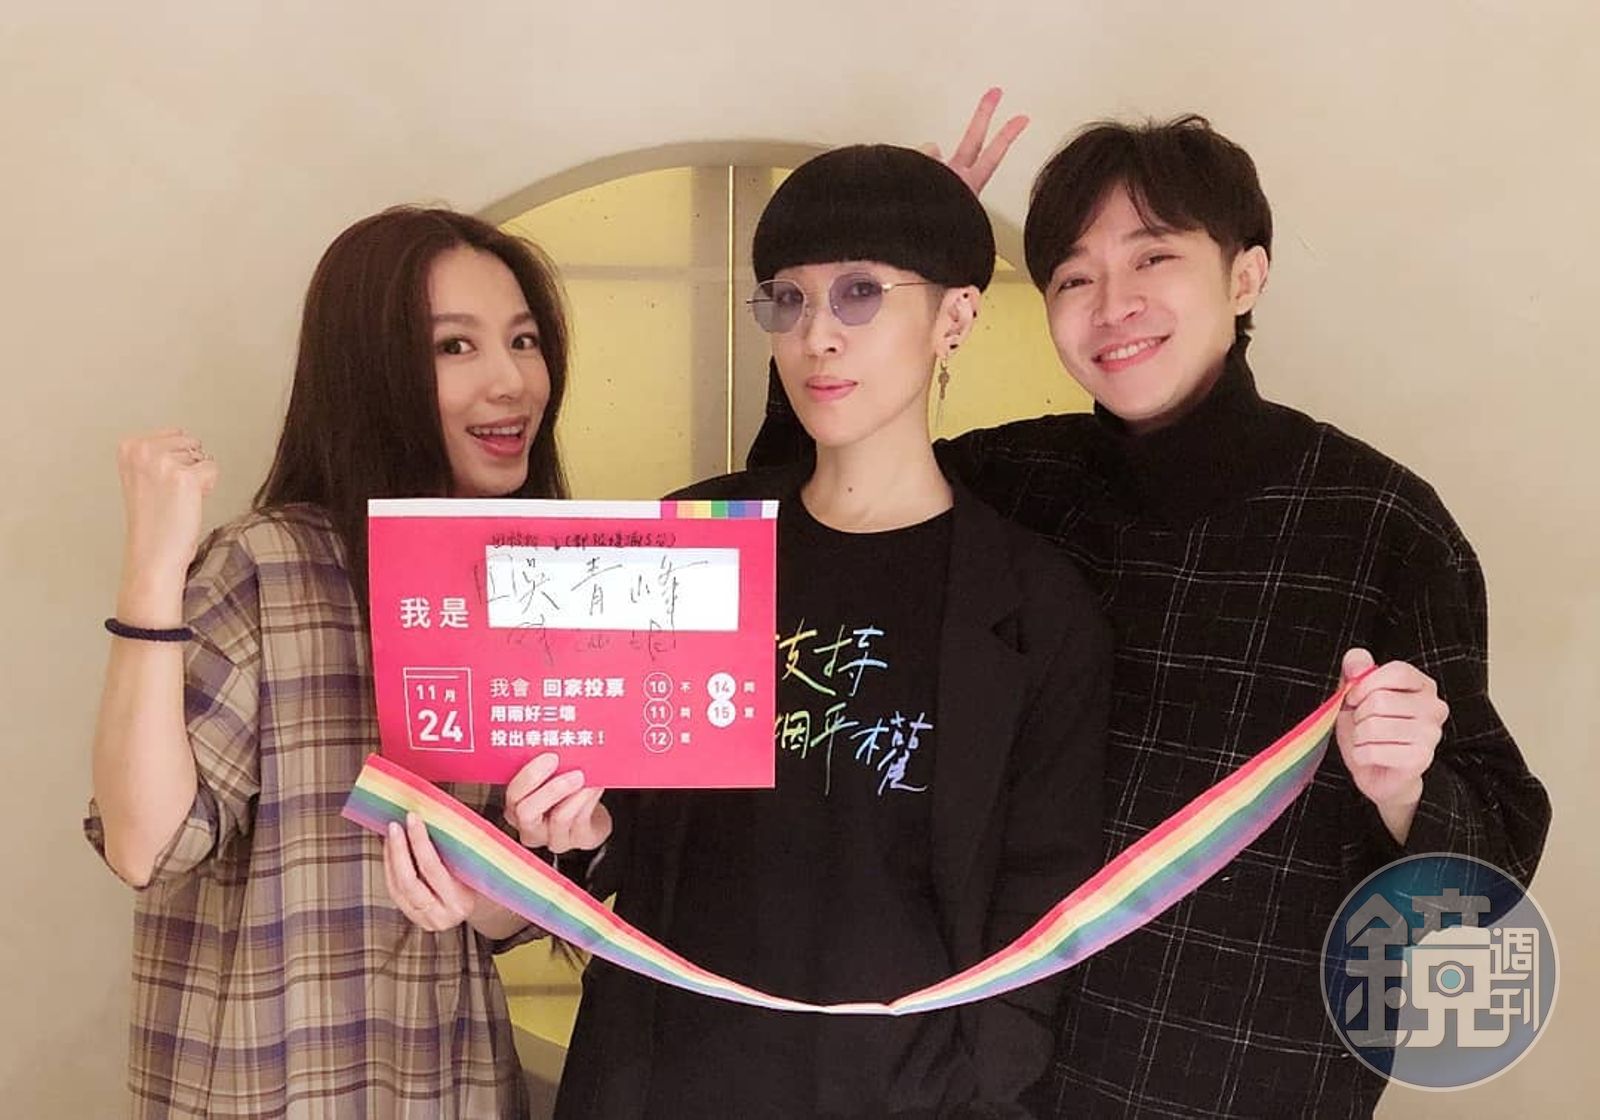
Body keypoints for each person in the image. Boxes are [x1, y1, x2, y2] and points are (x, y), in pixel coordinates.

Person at [748, 111, 1552, 1117]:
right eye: (1073, 277)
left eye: (1153, 258)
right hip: (985, 1076)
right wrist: (886, 275)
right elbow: (813, 510)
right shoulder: (1011, 480)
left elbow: (1486, 877)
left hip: (1245, 1078)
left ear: (1246, 275)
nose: (1112, 305)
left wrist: (1405, 790)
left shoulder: (1381, 523)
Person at [508, 143, 1111, 1119]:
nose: (816, 336)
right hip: (668, 1073)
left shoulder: (1035, 604)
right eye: (786, 300)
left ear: (955, 316)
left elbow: (1044, 896)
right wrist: (581, 833)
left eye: (860, 294)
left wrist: (976, 1084)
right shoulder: (690, 540)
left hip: (906, 1095)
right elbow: (626, 813)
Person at [85, 205, 584, 1118]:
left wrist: (517, 861)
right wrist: (152, 566)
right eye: (455, 346)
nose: (512, 380)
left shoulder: (533, 585)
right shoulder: (264, 565)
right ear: (370, 370)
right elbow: (145, 842)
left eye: (523, 340)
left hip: (446, 1083)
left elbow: (501, 923)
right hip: (264, 1084)